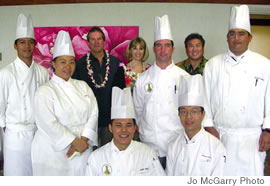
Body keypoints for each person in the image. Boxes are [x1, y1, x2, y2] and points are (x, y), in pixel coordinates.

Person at [203, 5, 270, 176]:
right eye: (232, 34)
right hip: (221, 136)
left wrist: (268, 130)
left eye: (241, 34)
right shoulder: (213, 65)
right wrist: (209, 128)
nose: (236, 38)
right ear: (227, 38)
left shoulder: (264, 64)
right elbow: (205, 98)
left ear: (250, 37)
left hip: (252, 139)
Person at [31, 31, 98, 176]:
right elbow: (48, 123)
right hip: (55, 152)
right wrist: (74, 141)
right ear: (53, 64)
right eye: (62, 61)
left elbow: (94, 113)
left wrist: (83, 140)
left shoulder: (83, 86)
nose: (68, 66)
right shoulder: (45, 90)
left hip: (83, 148)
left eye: (71, 62)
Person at [133, 14, 189, 169]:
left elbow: (190, 113)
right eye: (158, 45)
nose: (163, 50)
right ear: (153, 49)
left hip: (177, 144)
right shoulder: (143, 78)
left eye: (167, 45)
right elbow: (138, 111)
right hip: (150, 145)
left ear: (173, 48)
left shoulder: (184, 77)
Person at [0, 14, 49, 176]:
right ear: (15, 46)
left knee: (38, 174)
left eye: (30, 42)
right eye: (22, 42)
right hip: (15, 136)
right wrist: (9, 131)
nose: (26, 46)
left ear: (35, 44)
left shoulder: (42, 72)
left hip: (38, 134)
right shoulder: (6, 73)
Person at [85, 87, 165, 176]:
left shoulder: (148, 153)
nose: (124, 130)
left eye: (129, 125)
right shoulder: (96, 158)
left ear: (135, 128)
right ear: (110, 128)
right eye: (118, 125)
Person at [72, 26, 125, 147]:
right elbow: (76, 93)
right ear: (88, 42)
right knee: (91, 155)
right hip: (89, 121)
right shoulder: (79, 65)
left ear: (104, 41)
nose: (96, 42)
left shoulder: (115, 63)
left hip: (110, 121)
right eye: (93, 39)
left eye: (99, 39)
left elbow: (121, 93)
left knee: (110, 153)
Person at [166, 74, 226, 176]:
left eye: (194, 111)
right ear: (179, 114)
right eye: (184, 112)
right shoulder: (173, 146)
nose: (188, 117)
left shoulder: (216, 147)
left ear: (203, 114)